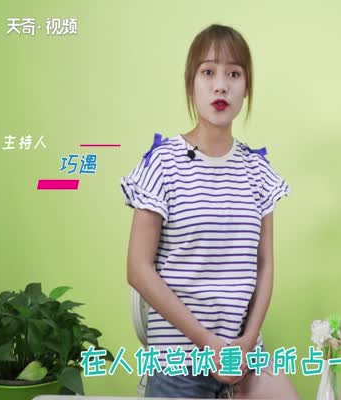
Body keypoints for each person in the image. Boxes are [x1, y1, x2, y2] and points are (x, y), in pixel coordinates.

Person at [121, 24, 299, 399]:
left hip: (243, 357)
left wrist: (247, 342)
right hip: (180, 358)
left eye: (234, 74)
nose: (221, 86)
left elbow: (265, 265)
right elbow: (137, 269)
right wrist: (208, 343)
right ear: (191, 84)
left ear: (247, 88)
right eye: (208, 72)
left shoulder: (258, 171)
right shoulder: (162, 163)